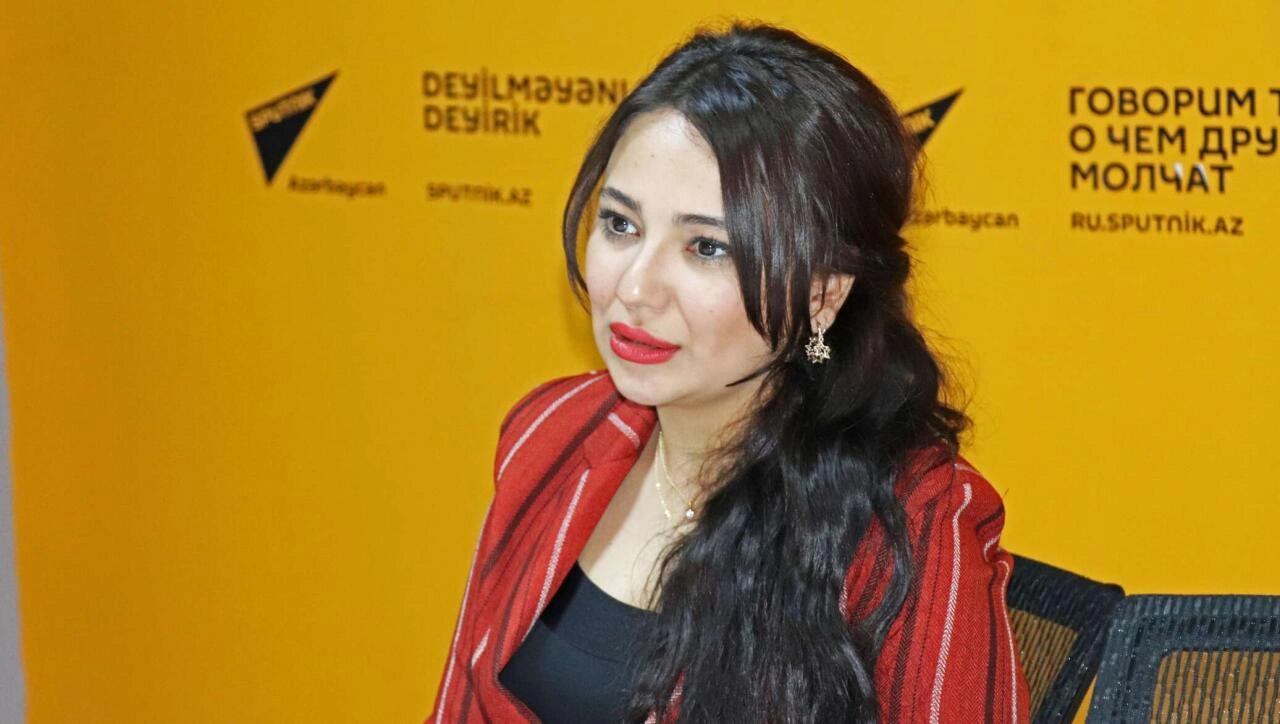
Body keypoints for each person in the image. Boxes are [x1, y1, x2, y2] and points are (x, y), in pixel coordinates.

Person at [427, 20, 1030, 724]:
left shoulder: (909, 524)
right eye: (621, 225)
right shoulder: (551, 432)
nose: (636, 288)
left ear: (822, 295)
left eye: (707, 248)